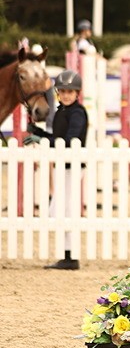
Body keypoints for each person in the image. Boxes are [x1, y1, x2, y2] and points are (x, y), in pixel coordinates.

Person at [24, 70, 88, 270]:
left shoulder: (78, 113)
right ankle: (67, 255)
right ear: (58, 93)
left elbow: (69, 141)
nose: (66, 95)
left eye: (70, 91)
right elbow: (57, 137)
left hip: (72, 166)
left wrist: (41, 139)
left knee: (62, 210)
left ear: (77, 93)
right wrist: (38, 132)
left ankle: (70, 257)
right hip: (63, 167)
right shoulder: (61, 111)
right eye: (63, 91)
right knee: (57, 210)